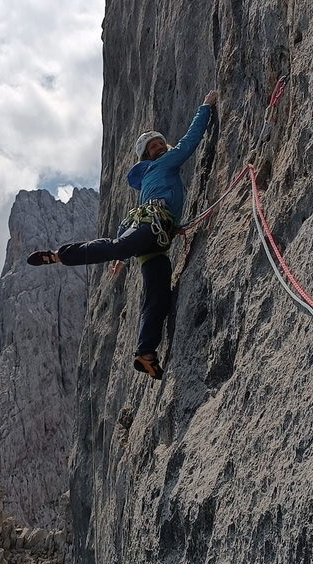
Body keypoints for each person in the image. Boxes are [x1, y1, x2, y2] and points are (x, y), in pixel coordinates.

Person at [26, 90, 218, 379]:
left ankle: (146, 353)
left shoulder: (146, 188)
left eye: (158, 143)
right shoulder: (162, 165)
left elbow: (126, 223)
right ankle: (58, 255)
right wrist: (205, 108)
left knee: (158, 296)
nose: (158, 148)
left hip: (155, 239)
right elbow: (189, 143)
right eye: (152, 147)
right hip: (151, 230)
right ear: (146, 157)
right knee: (118, 248)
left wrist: (125, 260)